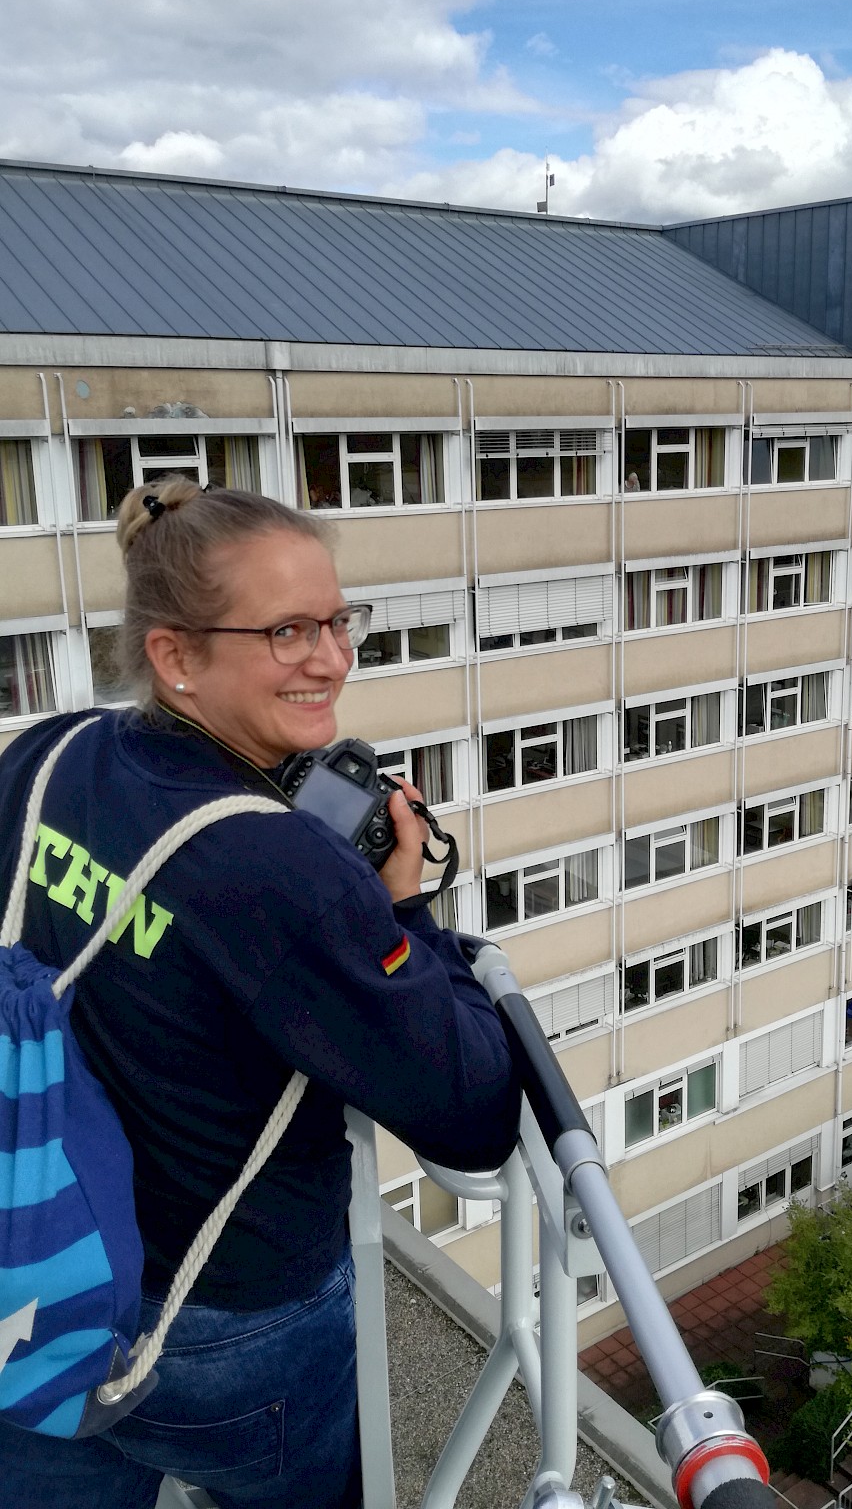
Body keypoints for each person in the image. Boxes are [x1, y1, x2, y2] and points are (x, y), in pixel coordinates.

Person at [0, 476, 522, 1508]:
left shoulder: (40, 755)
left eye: (338, 621)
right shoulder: (280, 867)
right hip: (223, 1327)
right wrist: (404, 911)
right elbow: (473, 1110)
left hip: (35, 1268)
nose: (332, 658)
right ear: (176, 655)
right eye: (287, 631)